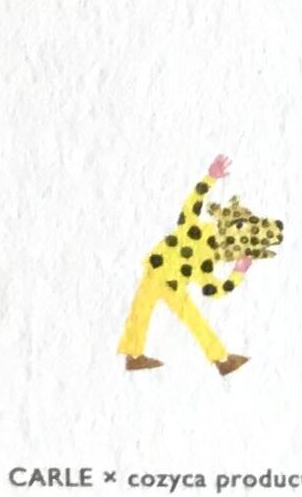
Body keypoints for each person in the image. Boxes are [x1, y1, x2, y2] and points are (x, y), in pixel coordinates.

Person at [118, 154, 283, 375]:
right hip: (161, 274)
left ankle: (217, 359)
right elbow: (214, 289)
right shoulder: (199, 240)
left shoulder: (204, 250)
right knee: (160, 313)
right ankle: (218, 360)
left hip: (166, 278)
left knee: (156, 312)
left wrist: (210, 178)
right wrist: (237, 273)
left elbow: (192, 206)